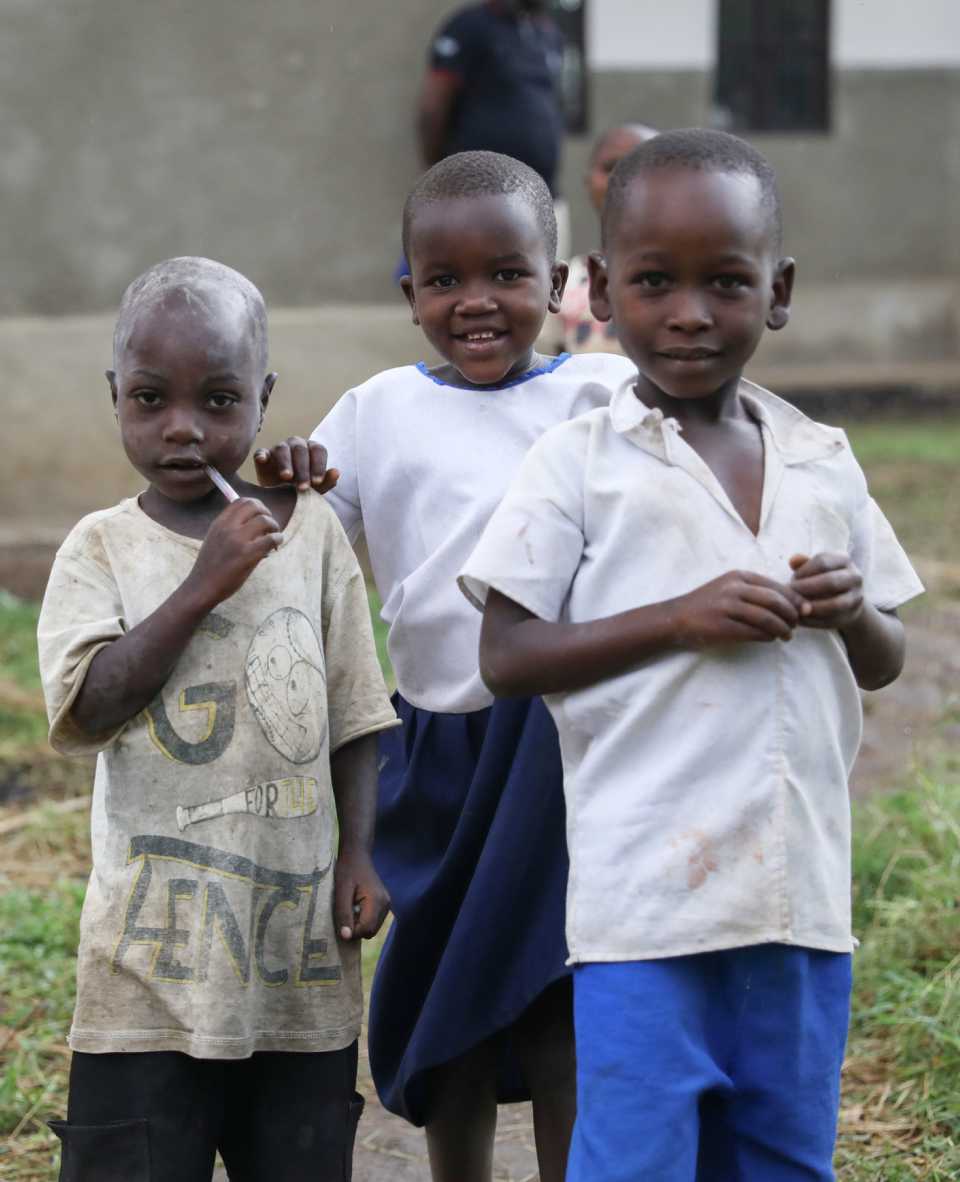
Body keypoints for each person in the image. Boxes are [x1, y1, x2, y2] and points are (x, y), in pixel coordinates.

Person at [460, 129, 924, 1181]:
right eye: (656, 283)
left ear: (780, 288)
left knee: (783, 1159)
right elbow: (507, 654)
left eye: (726, 283)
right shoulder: (577, 463)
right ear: (601, 289)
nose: (690, 315)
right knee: (638, 1160)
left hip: (797, 904)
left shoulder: (820, 457)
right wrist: (677, 618)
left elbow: (887, 658)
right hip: (646, 909)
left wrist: (853, 613)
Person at [254, 152, 636, 1182]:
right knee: (443, 999)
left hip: (561, 747)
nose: (479, 303)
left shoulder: (601, 391)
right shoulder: (378, 411)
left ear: (560, 284)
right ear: (408, 291)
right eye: (445, 280)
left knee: (560, 997)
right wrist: (284, 481)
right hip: (432, 743)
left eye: (509, 274)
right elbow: (300, 534)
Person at [37, 257, 399, 1182]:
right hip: (145, 974)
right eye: (151, 399)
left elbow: (358, 711)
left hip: (296, 962)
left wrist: (359, 851)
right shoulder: (101, 548)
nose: (184, 429)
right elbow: (88, 706)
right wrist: (202, 588)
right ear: (116, 393)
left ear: (266, 400)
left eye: (221, 400)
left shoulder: (309, 533)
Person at [396, 0, 568, 280]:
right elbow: (433, 110)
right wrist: (440, 183)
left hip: (544, 195)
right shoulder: (470, 26)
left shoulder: (548, 33)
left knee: (542, 295)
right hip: (480, 200)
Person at [553, 122, 658, 355]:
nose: (623, 177)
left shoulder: (688, 281)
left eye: (642, 167)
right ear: (588, 180)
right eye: (611, 167)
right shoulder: (563, 283)